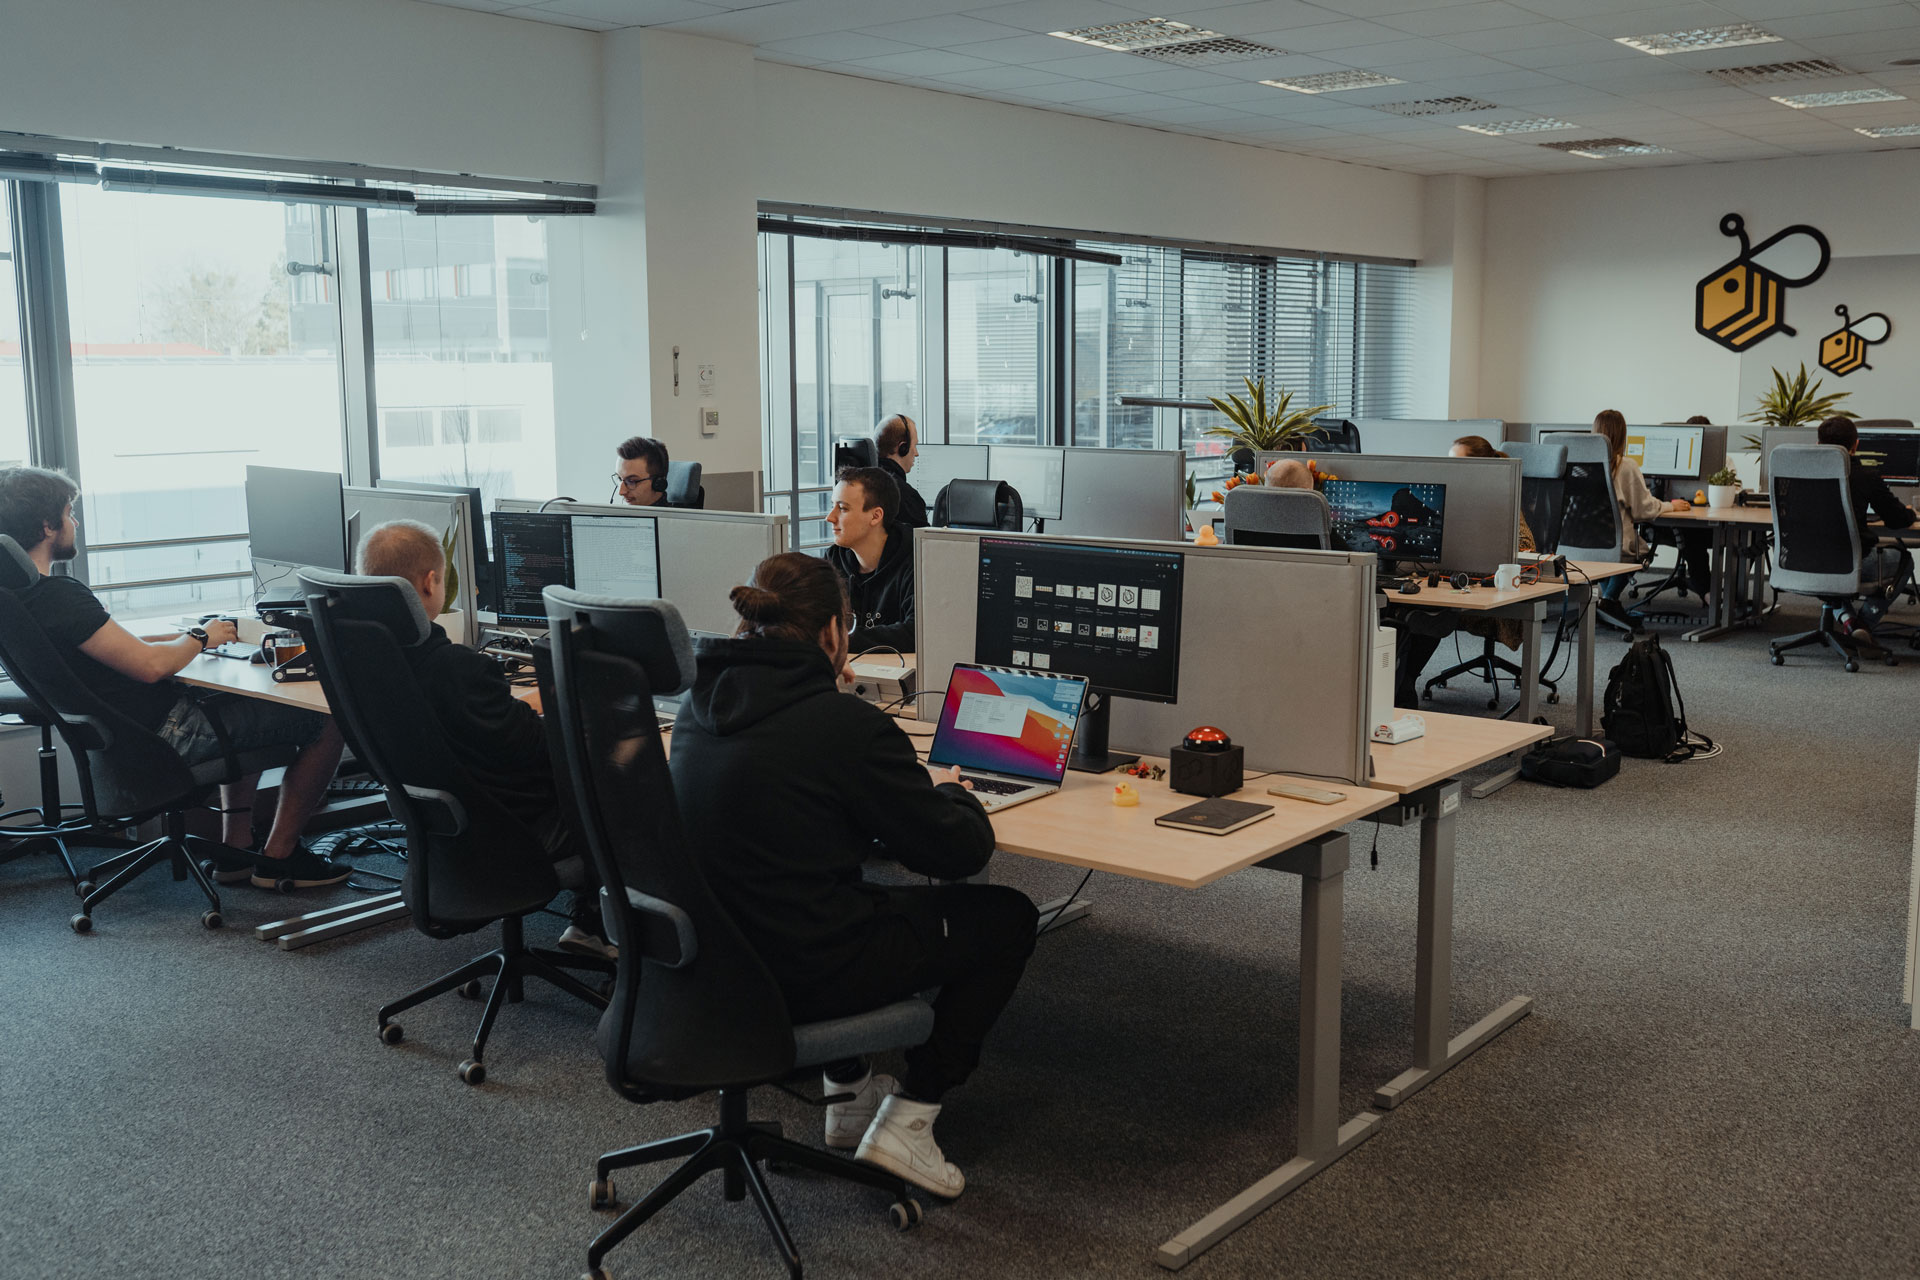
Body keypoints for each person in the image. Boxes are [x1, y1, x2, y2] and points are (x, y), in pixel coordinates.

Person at [669, 550, 1036, 1199]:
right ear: (835, 633)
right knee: (1007, 918)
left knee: (844, 883)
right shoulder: (843, 726)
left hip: (707, 961)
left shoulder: (699, 705)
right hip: (802, 966)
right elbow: (958, 853)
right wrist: (953, 792)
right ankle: (912, 1118)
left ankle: (849, 1097)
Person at [0, 466, 348, 888]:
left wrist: (188, 636)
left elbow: (115, 644)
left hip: (127, 736)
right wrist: (203, 637)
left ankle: (234, 851)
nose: (76, 523)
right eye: (70, 513)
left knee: (239, 707)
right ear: (47, 526)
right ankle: (281, 856)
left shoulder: (22, 601)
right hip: (169, 733)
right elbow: (150, 666)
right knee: (330, 719)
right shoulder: (62, 596)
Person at [357, 519, 612, 959]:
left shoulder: (362, 664)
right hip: (510, 837)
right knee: (622, 785)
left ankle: (590, 921)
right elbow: (538, 748)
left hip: (447, 840)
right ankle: (599, 926)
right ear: (431, 581)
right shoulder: (455, 669)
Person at [1393, 438, 1538, 707]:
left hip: (1490, 596)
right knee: (1408, 612)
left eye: (1457, 463)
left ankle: (1405, 682)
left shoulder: (1501, 499)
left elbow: (1524, 548)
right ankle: (1402, 682)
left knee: (1427, 615)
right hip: (1448, 586)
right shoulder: (1454, 497)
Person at [1815, 415, 1915, 649]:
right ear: (1856, 445)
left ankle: (1848, 621)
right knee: (1905, 560)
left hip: (1806, 561)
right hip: (1851, 562)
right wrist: (1910, 512)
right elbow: (1898, 518)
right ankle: (1865, 623)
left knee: (1830, 567)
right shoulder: (1866, 476)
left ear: (1818, 445)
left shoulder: (1799, 473)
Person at [1594, 409, 1690, 617]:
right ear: (1622, 435)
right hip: (1615, 544)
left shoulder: (1586, 465)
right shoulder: (1625, 466)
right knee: (1641, 550)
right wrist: (1671, 505)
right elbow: (1644, 510)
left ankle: (1605, 600)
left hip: (1584, 543)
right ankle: (1608, 600)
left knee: (1602, 555)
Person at [825, 466, 916, 656]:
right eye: (832, 506)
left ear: (875, 516)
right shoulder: (833, 559)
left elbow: (915, 632)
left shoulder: (917, 561)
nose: (830, 517)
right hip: (850, 671)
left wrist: (841, 640)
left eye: (842, 508)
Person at [874, 413, 929, 529]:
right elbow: (923, 544)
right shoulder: (905, 496)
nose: (916, 453)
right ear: (902, 448)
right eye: (914, 445)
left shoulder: (867, 484)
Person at [612, 436, 673, 508]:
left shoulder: (674, 519)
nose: (621, 492)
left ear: (658, 484)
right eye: (619, 479)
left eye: (631, 481)